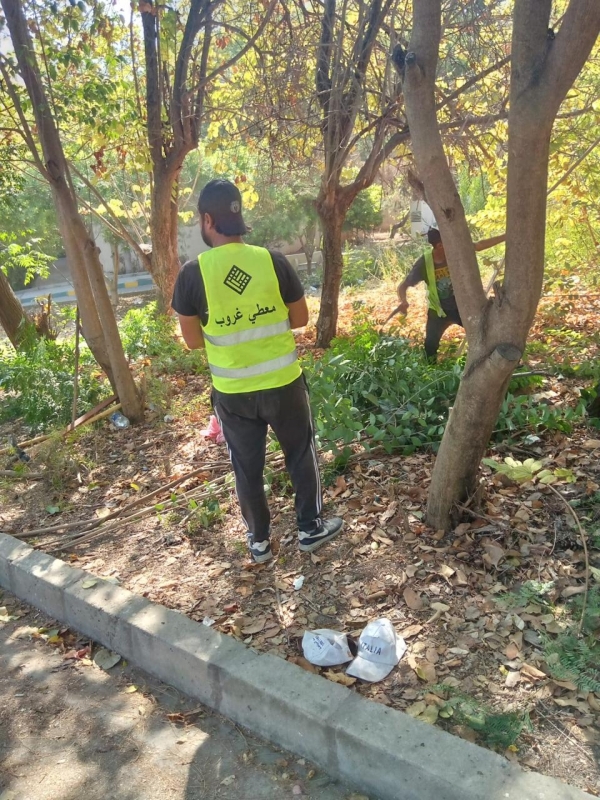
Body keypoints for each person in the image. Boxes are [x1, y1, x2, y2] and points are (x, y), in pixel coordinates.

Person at [171, 179, 344, 563]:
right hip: (284, 385)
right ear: (238, 215)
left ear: (207, 220)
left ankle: (260, 542)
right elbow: (300, 319)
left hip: (233, 394)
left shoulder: (192, 274)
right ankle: (310, 529)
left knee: (246, 467)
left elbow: (193, 341)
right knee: (300, 454)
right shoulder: (273, 261)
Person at [390, 227, 505, 359]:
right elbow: (403, 286)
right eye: (447, 241)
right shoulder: (424, 263)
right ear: (439, 245)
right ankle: (431, 368)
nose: (452, 243)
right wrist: (403, 301)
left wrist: (506, 236)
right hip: (438, 311)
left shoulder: (455, 250)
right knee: (430, 347)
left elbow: (479, 245)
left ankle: (498, 359)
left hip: (461, 308)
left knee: (485, 331)